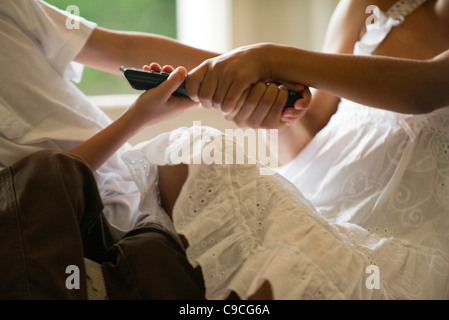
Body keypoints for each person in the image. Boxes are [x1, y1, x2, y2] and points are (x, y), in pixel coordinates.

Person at [135, 0, 448, 299]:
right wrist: (269, 109)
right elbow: (308, 133)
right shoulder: (368, 6)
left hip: (405, 245)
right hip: (316, 206)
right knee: (189, 161)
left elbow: (428, 87)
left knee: (291, 269)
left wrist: (271, 59)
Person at [0, 0, 304, 299]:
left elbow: (122, 50)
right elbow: (37, 191)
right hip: (81, 228)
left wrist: (244, 73)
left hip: (131, 192)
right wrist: (139, 117)